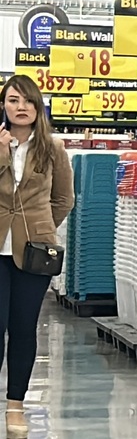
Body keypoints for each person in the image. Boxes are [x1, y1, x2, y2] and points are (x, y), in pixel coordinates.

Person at [0, 75, 74, 438]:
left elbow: (64, 199)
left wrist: (40, 228)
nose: (21, 107)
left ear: (38, 107)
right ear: (3, 105)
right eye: (13, 100)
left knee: (23, 328)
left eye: (28, 100)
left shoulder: (52, 148)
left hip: (34, 254)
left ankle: (16, 405)